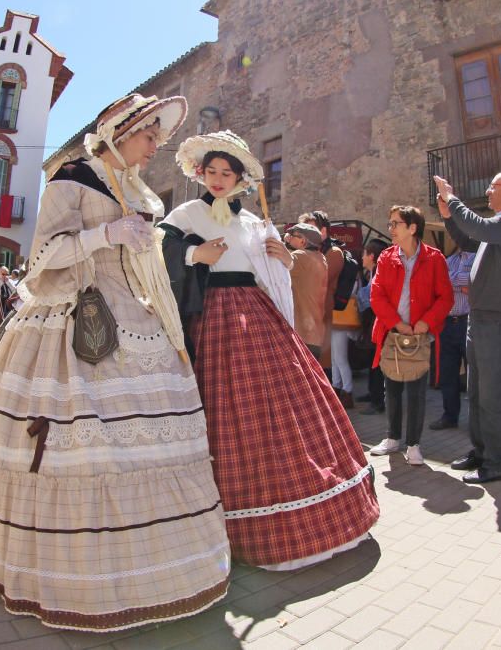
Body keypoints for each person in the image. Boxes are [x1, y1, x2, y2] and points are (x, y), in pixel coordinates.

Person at [0, 94, 231, 631]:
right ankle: (76, 574)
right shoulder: (71, 177)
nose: (154, 150)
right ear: (124, 132)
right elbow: (41, 257)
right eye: (150, 138)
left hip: (134, 314)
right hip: (76, 318)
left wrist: (143, 247)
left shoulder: (140, 190)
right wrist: (104, 234)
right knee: (85, 449)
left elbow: (144, 261)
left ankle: (157, 570)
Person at [161, 130, 379, 570]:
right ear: (201, 173)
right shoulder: (185, 213)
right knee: (228, 406)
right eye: (213, 172)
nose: (219, 180)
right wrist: (192, 254)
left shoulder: (255, 221)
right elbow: (157, 248)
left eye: (228, 173)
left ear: (240, 179)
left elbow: (272, 273)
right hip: (213, 318)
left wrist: (280, 258)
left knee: (286, 401)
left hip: (257, 314)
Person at [434, 172, 501, 484]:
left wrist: (453, 198)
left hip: (496, 318)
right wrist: (449, 218)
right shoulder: (500, 228)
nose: (488, 190)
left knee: (490, 394)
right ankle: (481, 452)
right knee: (476, 391)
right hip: (481, 318)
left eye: (492, 186)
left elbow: (477, 226)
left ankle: (496, 462)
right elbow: (468, 238)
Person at [367, 206, 454, 465]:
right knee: (391, 387)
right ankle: (393, 438)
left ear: (412, 228)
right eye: (390, 223)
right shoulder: (386, 257)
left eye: (396, 224)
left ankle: (413, 444)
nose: (390, 228)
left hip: (420, 336)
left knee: (416, 391)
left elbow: (445, 297)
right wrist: (397, 323)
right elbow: (376, 295)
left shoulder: (435, 258)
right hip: (392, 334)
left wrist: (426, 322)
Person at [428, 245, 474, 431]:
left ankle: (476, 421)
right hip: (447, 323)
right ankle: (450, 416)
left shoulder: (477, 257)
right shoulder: (450, 259)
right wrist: (462, 286)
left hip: (469, 322)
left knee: (474, 374)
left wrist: (453, 281)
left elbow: (474, 281)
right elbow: (438, 283)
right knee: (447, 373)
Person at [298, 210, 344, 374]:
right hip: (307, 318)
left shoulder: (334, 253)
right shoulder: (308, 253)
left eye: (309, 229)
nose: (304, 234)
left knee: (322, 368)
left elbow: (318, 279)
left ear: (323, 231)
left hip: (322, 317)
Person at [285, 222, 328, 359]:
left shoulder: (300, 256)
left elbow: (276, 261)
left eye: (293, 235)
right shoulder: (320, 257)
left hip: (303, 334)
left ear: (303, 241)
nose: (289, 237)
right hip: (315, 334)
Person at [356, 238, 389, 414]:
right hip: (372, 323)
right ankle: (372, 393)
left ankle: (378, 401)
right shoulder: (371, 273)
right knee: (372, 361)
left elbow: (370, 300)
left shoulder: (379, 274)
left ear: (372, 256)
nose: (362, 257)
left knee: (377, 362)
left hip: (378, 323)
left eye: (364, 253)